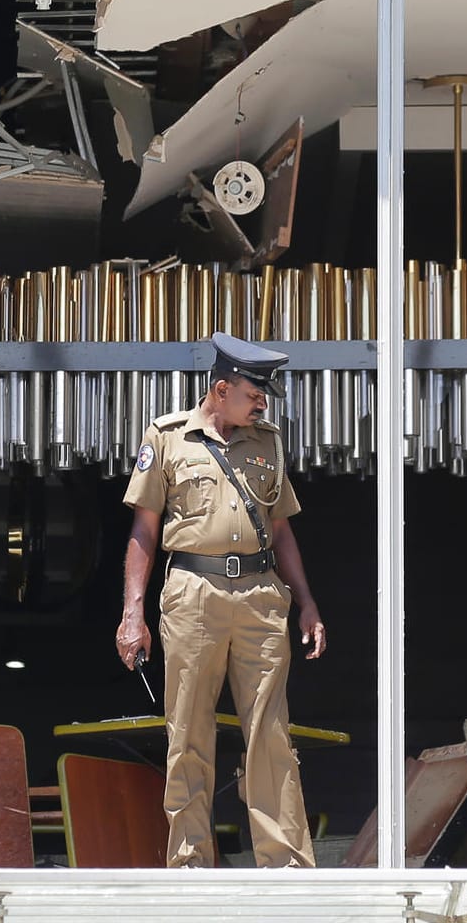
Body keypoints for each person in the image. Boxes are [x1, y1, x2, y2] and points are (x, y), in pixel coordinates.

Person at [116, 331, 327, 868]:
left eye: (263, 399)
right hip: (193, 592)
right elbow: (143, 531)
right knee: (188, 730)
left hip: (260, 594)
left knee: (270, 731)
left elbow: (281, 530)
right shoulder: (166, 437)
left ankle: (284, 863)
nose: (261, 405)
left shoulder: (268, 442)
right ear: (220, 388)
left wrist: (306, 601)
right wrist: (131, 614)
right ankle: (189, 861)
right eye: (254, 395)